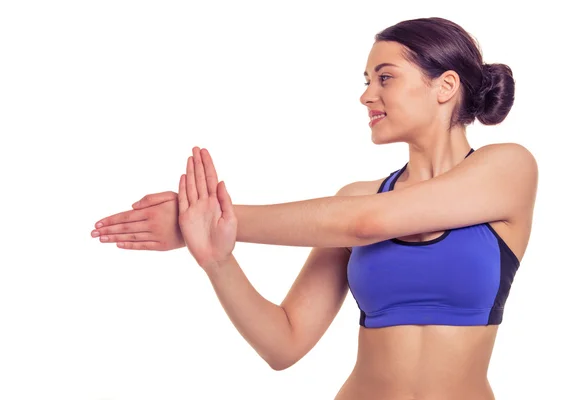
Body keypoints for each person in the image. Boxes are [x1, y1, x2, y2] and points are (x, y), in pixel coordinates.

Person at [90, 17, 537, 400]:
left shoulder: (507, 168)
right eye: (366, 82)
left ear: (445, 86)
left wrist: (211, 217)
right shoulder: (353, 198)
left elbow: (369, 223)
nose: (366, 96)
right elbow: (284, 344)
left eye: (385, 78)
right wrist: (216, 257)